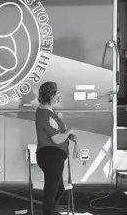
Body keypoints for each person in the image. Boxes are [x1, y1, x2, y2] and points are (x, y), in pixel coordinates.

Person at [35, 81, 76, 215]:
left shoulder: (49, 111)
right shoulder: (44, 114)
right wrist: (68, 131)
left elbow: (59, 133)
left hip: (55, 155)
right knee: (51, 190)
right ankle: (48, 212)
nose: (58, 95)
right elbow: (57, 139)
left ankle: (51, 212)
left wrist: (68, 136)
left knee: (59, 189)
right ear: (51, 96)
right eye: (56, 93)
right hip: (51, 156)